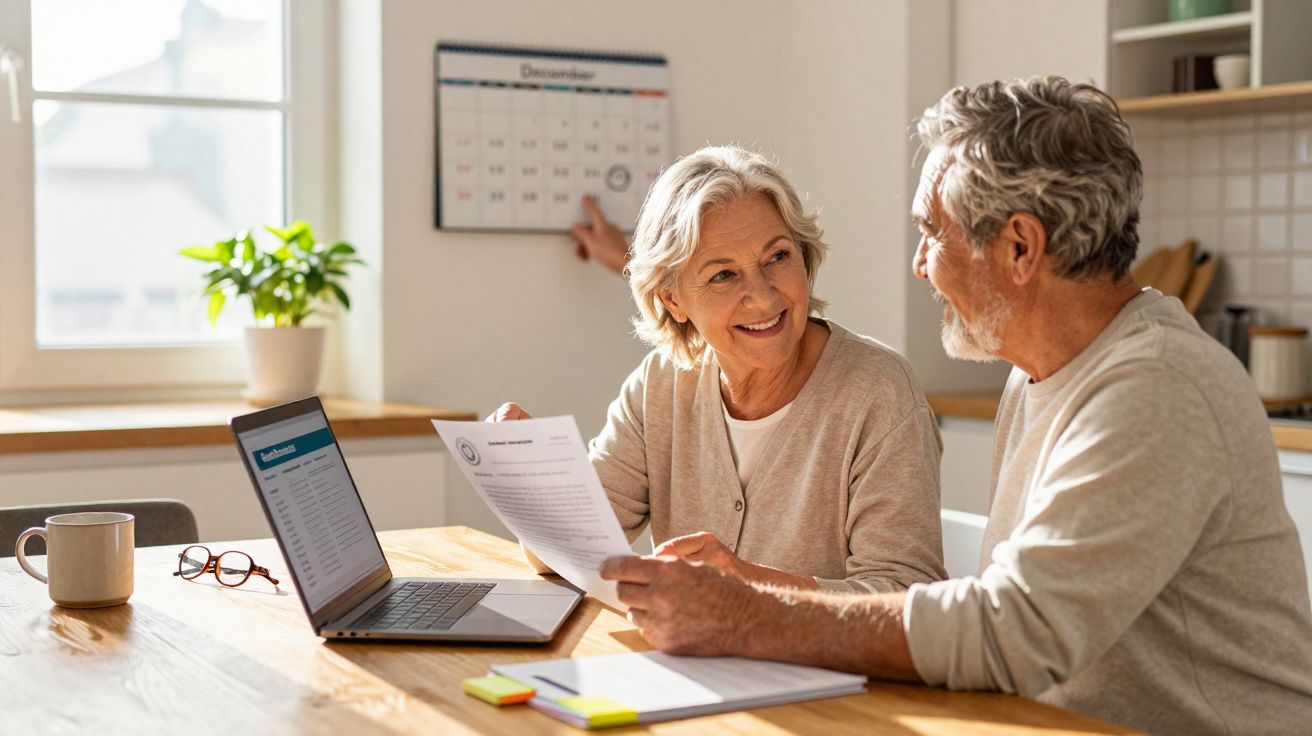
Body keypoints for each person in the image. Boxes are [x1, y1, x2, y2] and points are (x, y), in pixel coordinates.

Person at [599, 77, 1312, 735]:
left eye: (933, 231)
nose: (919, 263)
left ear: (1020, 247)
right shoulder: (1042, 373)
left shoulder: (1153, 389)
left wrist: (747, 614)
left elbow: (1014, 634)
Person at [491, 145, 946, 593]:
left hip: (829, 670)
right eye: (723, 275)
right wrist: (537, 476)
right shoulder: (659, 386)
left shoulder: (880, 392)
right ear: (672, 299)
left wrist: (745, 586)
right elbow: (561, 555)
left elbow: (906, 599)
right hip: (686, 661)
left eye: (778, 257)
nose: (765, 298)